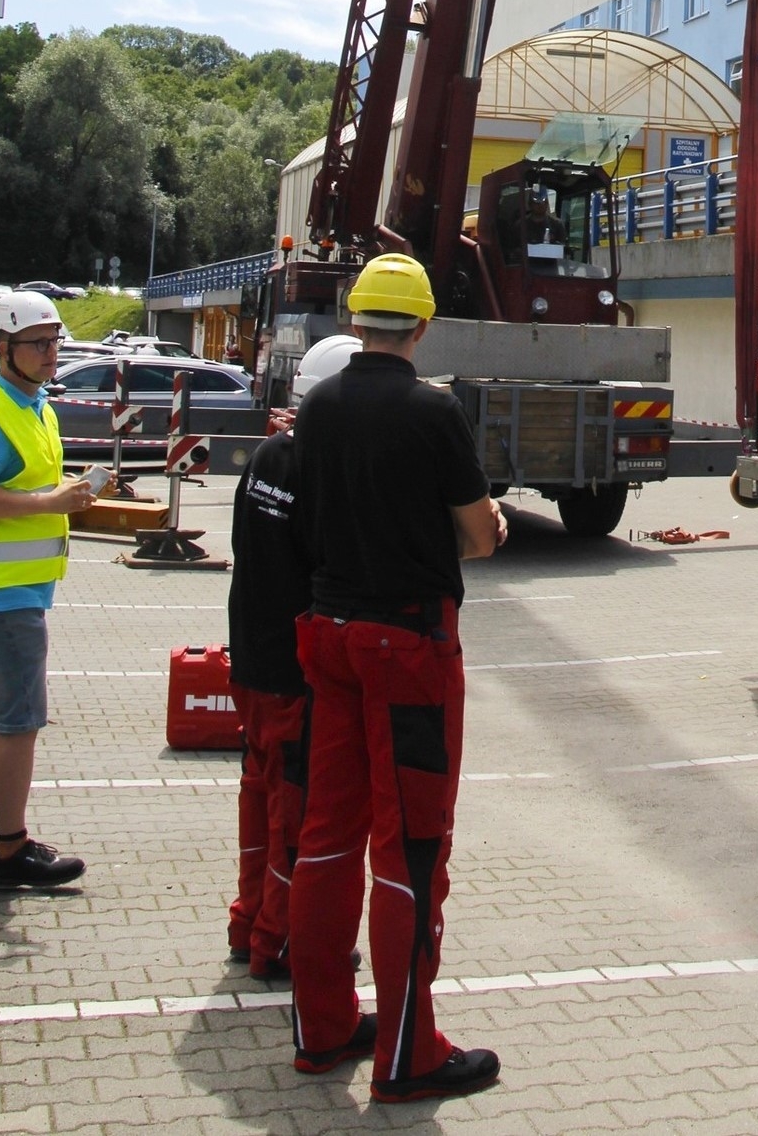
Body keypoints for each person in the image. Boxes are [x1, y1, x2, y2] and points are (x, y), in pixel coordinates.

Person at [286, 254, 504, 1103]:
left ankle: (322, 1027)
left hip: (329, 634)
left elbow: (315, 514)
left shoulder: (319, 406)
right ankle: (409, 1053)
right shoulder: (433, 410)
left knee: (327, 834)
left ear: (354, 319)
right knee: (411, 848)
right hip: (407, 644)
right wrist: (472, 531)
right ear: (419, 326)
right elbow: (478, 535)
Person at [225, 333, 361, 981]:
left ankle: (250, 917)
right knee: (293, 810)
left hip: (251, 657)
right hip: (294, 672)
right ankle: (275, 940)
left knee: (257, 792)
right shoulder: (319, 470)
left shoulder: (266, 458)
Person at [0, 293, 96, 891]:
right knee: (18, 722)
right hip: (7, 596)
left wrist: (67, 492)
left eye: (55, 342)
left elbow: (33, 480)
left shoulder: (36, 406)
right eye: (38, 343)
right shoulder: (2, 407)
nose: (51, 353)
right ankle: (9, 850)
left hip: (22, 590)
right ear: (4, 347)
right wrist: (51, 502)